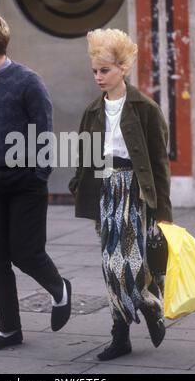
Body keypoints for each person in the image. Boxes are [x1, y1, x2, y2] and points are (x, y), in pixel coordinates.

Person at [0, 12, 71, 352]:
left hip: (26, 181)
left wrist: (39, 175)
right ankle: (9, 330)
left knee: (25, 252)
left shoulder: (28, 81)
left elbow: (44, 132)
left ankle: (60, 289)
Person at [69, 28, 172, 361]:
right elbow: (85, 157)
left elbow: (159, 163)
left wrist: (164, 213)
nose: (99, 77)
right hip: (105, 191)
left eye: (105, 70)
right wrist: (77, 184)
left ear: (123, 68)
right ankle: (143, 311)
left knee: (125, 262)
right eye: (95, 71)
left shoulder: (146, 109)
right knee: (109, 264)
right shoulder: (92, 111)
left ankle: (126, 327)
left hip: (135, 192)